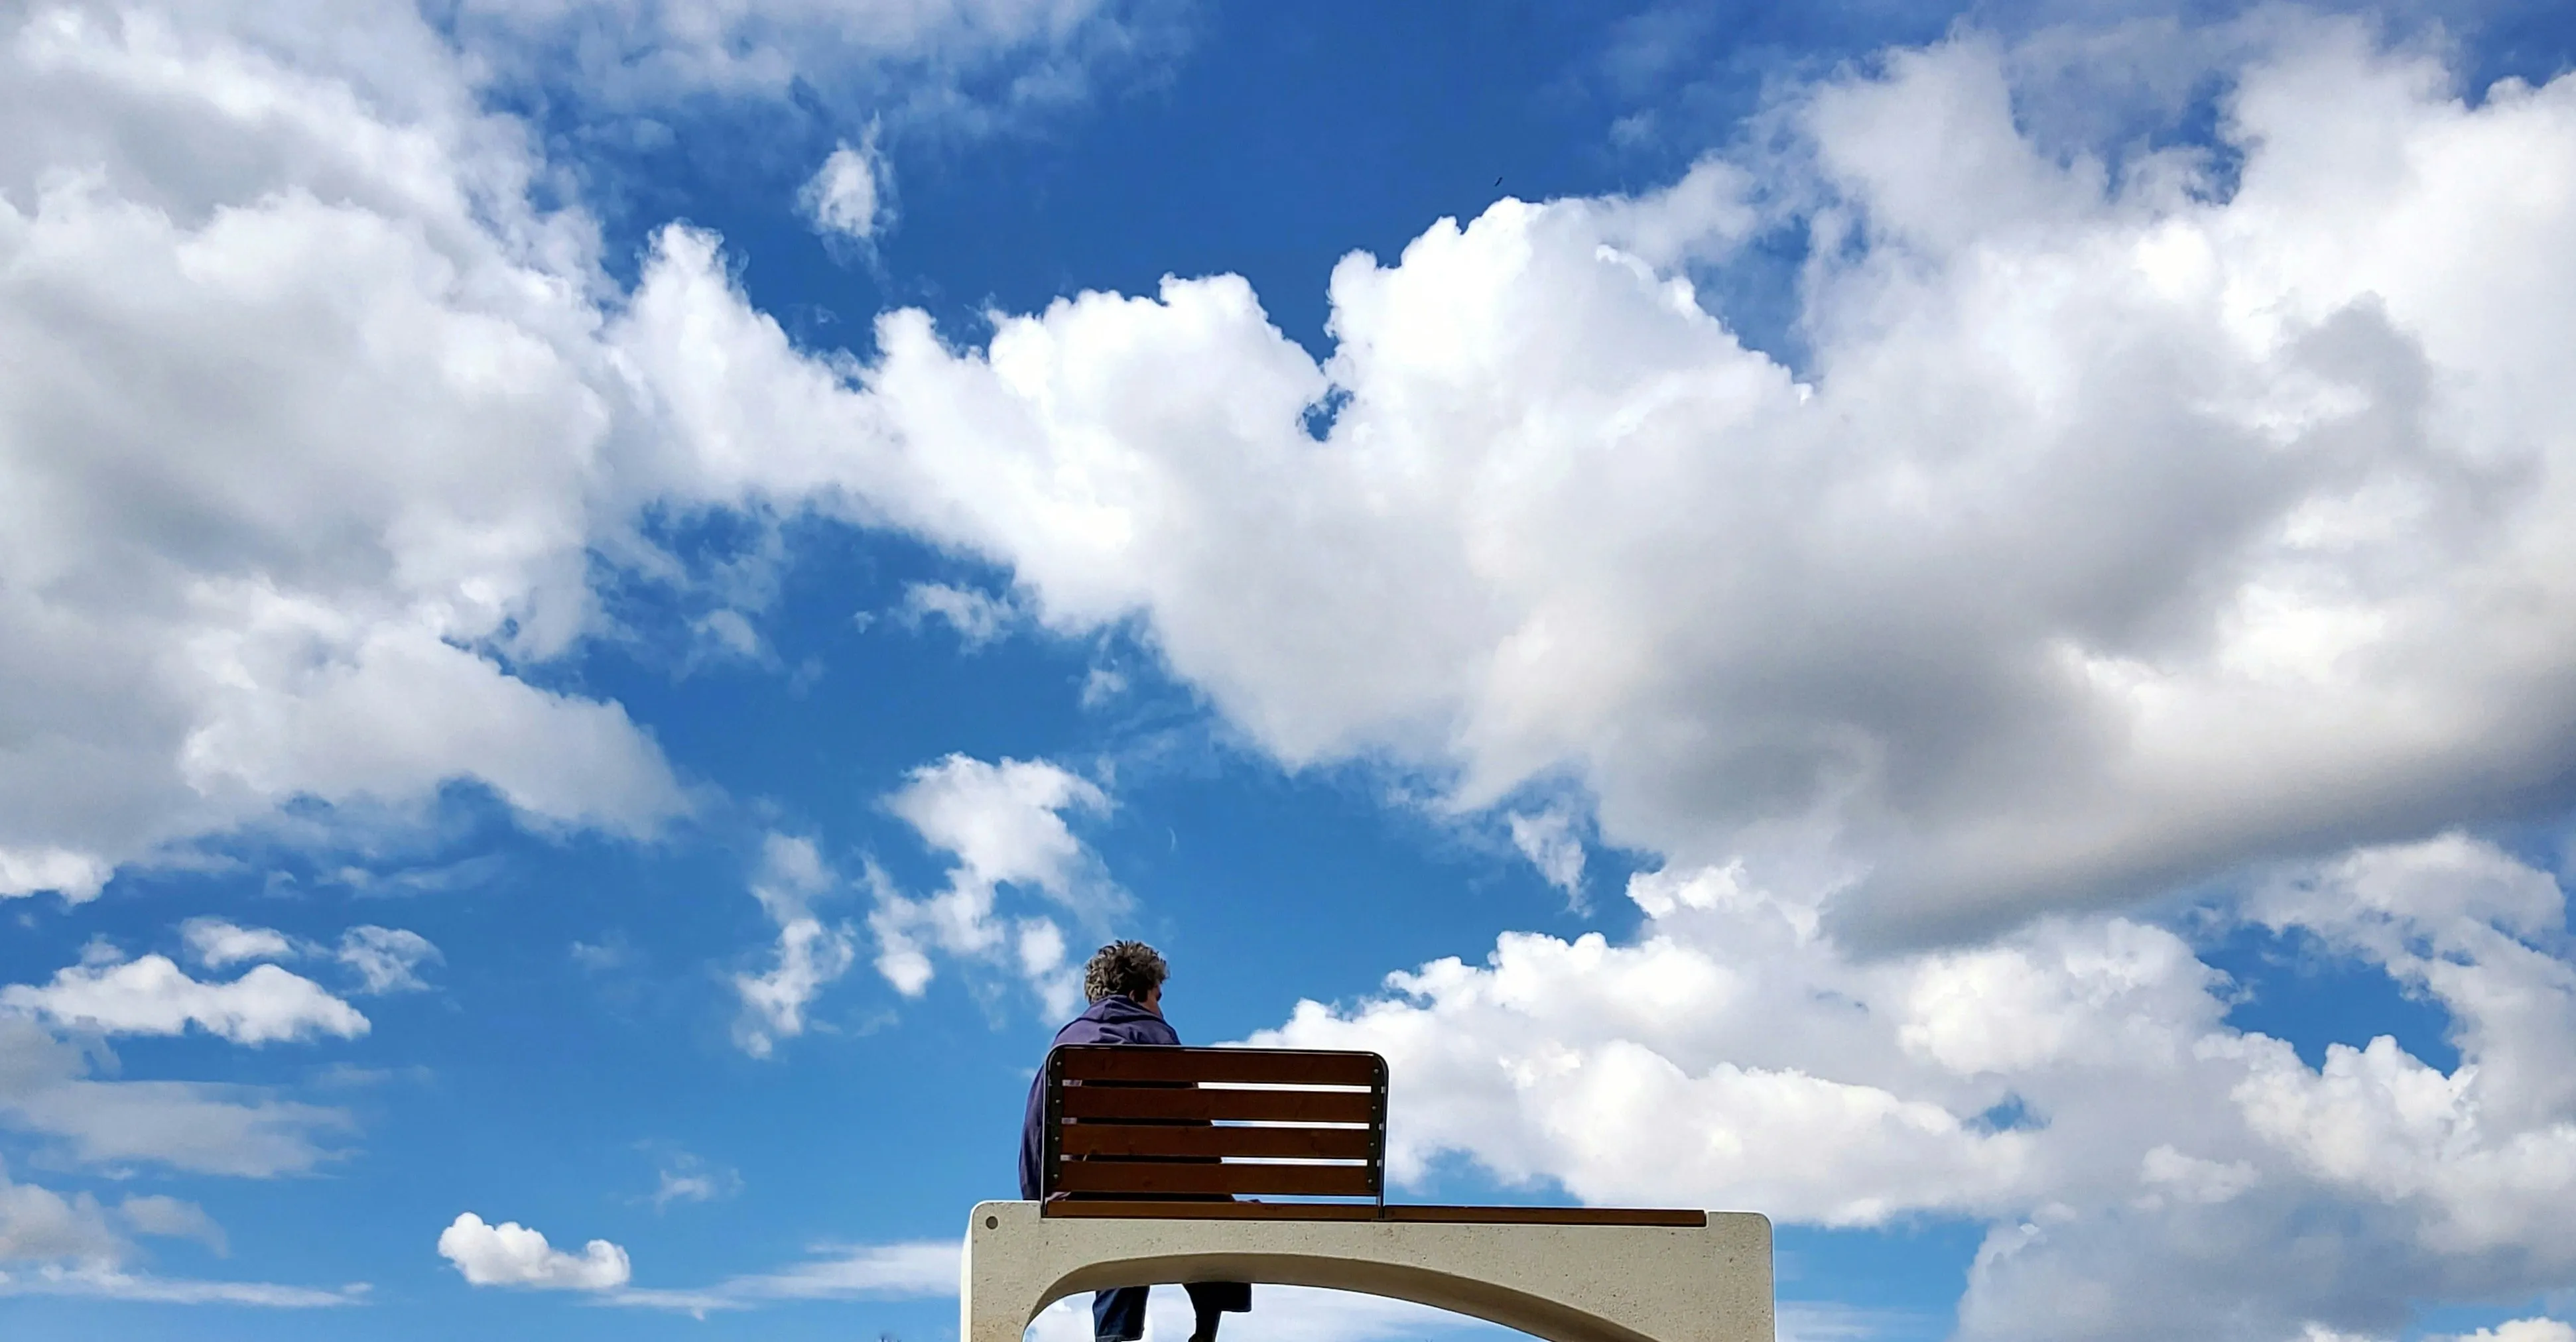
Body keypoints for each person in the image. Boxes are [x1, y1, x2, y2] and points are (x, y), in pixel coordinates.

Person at [1021, 941, 1251, 1342]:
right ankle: (1206, 1324)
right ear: (1136, 996)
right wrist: (1221, 1197)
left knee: (1117, 1227)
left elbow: (1034, 1142)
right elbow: (1197, 1136)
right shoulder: (1161, 1040)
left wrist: (1040, 1200)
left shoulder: (1062, 1050)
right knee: (1169, 1206)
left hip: (1086, 1204)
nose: (1162, 1010)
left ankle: (1115, 1336)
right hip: (1172, 1200)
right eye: (1158, 998)